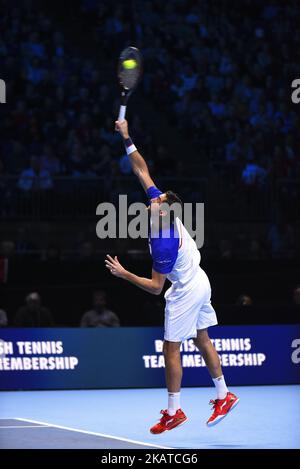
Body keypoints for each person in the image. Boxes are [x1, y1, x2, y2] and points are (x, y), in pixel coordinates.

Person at [105, 119, 239, 433]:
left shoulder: (164, 242)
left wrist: (124, 273)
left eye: (158, 201)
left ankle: (174, 410)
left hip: (188, 289)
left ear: (165, 212)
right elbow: (141, 170)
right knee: (202, 338)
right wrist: (127, 138)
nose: (153, 199)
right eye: (156, 197)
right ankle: (224, 394)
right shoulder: (159, 211)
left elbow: (154, 288)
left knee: (171, 346)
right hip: (201, 280)